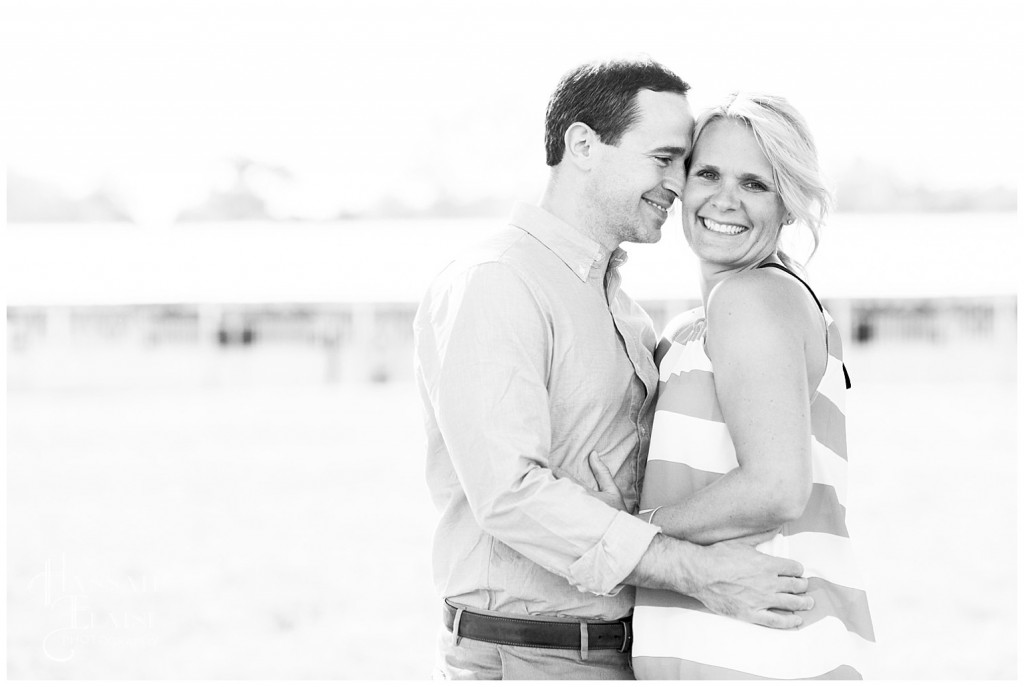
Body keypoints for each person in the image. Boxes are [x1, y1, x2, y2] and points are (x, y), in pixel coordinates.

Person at [413, 59, 814, 681]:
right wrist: (694, 570)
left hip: (622, 650)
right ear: (582, 146)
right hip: (530, 655)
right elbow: (509, 493)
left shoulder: (627, 314)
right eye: (664, 159)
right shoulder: (496, 283)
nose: (679, 185)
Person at [620, 93, 876, 679]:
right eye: (707, 172)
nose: (724, 199)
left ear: (787, 204)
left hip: (761, 652)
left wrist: (624, 543)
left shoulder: (752, 297)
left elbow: (777, 487)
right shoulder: (706, 318)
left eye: (755, 184)